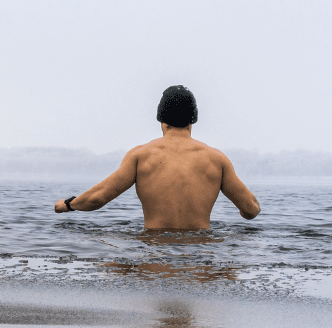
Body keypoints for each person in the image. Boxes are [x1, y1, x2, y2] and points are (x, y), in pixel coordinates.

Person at [54, 85, 260, 230]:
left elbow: (98, 198)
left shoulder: (140, 156)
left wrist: (68, 204)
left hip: (153, 254)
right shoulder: (217, 160)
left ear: (161, 119)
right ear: (193, 121)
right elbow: (251, 210)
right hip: (200, 257)